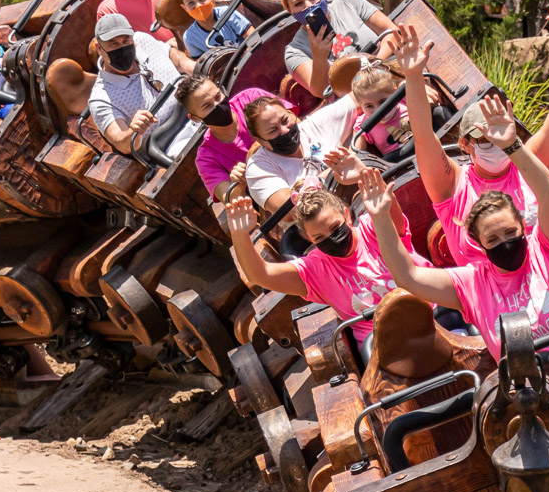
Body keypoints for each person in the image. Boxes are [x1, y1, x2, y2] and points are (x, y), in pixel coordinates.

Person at [364, 96, 549, 399]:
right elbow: (407, 276)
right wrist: (381, 217)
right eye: (493, 240)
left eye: (509, 232)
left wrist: (513, 146)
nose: (505, 243)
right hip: (541, 389)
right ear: (479, 244)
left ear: (522, 227)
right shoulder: (472, 283)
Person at [392, 0, 549, 266]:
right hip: (489, 295)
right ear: (464, 145)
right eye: (485, 138)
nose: (496, 144)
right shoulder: (452, 187)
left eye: (501, 135)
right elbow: (423, 137)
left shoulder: (532, 164)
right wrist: (413, 76)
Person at [224, 185, 427, 350]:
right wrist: (240, 234)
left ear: (347, 215)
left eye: (335, 228)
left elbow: (388, 206)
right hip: (386, 343)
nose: (332, 238)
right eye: (320, 237)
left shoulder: (373, 226)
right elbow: (261, 275)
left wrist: (362, 175)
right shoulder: (315, 269)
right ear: (308, 239)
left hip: (432, 309)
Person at [88, 13, 197, 156]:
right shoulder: (101, 98)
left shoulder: (143, 40)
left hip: (198, 109)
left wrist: (190, 66)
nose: (122, 49)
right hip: (171, 144)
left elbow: (173, 56)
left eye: (126, 41)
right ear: (99, 48)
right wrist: (134, 130)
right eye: (113, 44)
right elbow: (122, 143)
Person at [174, 76, 296, 203]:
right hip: (275, 192)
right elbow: (228, 197)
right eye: (207, 106)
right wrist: (238, 184)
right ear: (195, 118)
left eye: (217, 96)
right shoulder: (206, 158)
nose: (218, 105)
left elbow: (293, 119)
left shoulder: (251, 98)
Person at [281, 0, 397, 98]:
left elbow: (392, 33)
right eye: (298, 4)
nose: (309, 5)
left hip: (389, 73)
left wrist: (374, 66)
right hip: (357, 99)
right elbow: (320, 91)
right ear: (289, 10)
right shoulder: (295, 51)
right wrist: (319, 57)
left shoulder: (348, 3)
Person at [243, 92, 358, 213]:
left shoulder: (312, 125)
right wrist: (343, 164)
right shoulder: (258, 167)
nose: (285, 130)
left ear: (291, 114)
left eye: (285, 120)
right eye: (273, 130)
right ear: (259, 140)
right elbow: (291, 211)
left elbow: (361, 95)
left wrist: (358, 137)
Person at [179, 0, 254, 59]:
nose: (198, 6)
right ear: (185, 8)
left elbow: (252, 36)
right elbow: (200, 65)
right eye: (191, 3)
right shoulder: (190, 37)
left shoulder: (227, 13)